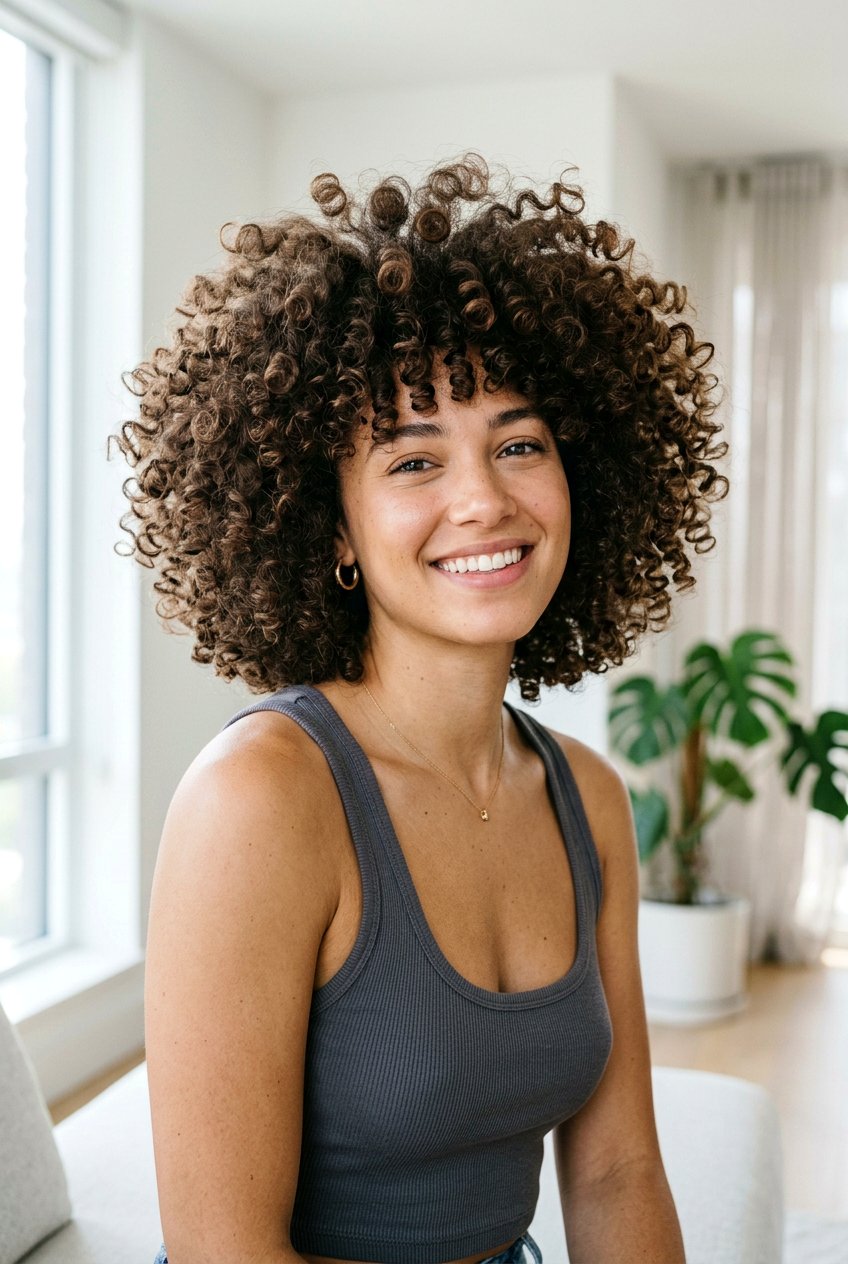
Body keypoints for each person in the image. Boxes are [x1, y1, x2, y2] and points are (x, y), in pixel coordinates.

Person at [110, 152, 727, 1264]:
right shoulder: (261, 798)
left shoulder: (585, 798)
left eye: (519, 442)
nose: (482, 497)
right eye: (410, 459)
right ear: (331, 524)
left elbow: (614, 1169)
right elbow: (223, 1250)